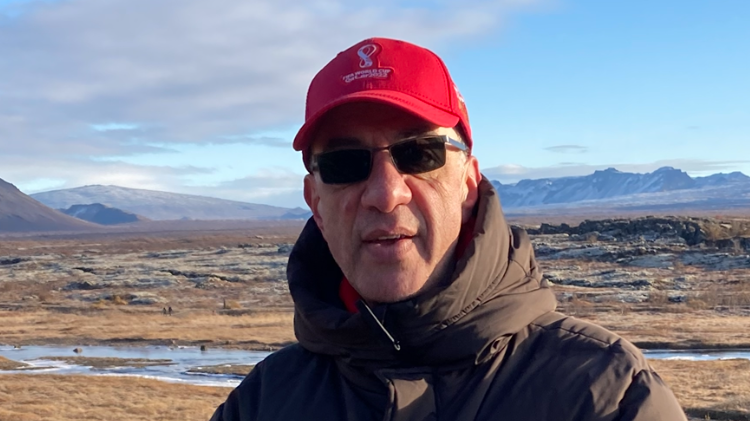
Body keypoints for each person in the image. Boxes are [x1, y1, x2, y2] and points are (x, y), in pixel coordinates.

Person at [210, 37, 686, 421]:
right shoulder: (263, 403)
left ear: (468, 185)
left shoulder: (607, 395)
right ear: (315, 201)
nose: (385, 193)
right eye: (344, 164)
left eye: (418, 154)